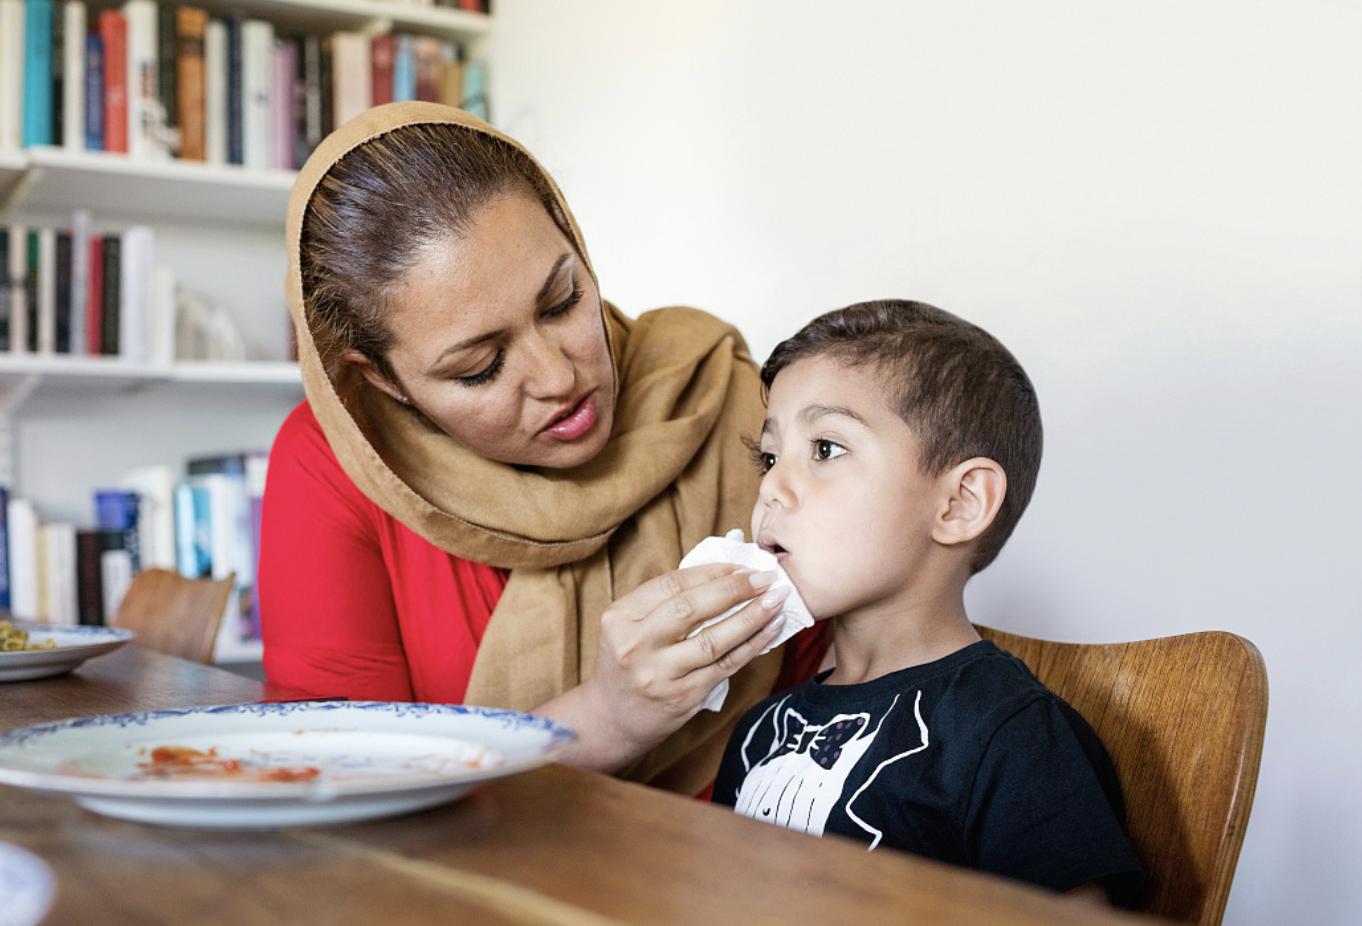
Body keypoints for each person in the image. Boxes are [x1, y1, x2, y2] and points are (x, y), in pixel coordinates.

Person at [261, 102, 829, 794]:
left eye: (562, 301)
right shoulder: (334, 464)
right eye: (480, 367)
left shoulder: (729, 398)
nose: (560, 379)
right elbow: (349, 780)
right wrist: (609, 718)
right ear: (382, 379)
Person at [712, 300, 1145, 905]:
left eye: (826, 448)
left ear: (959, 504)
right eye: (769, 456)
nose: (770, 488)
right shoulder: (760, 730)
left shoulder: (1010, 734)